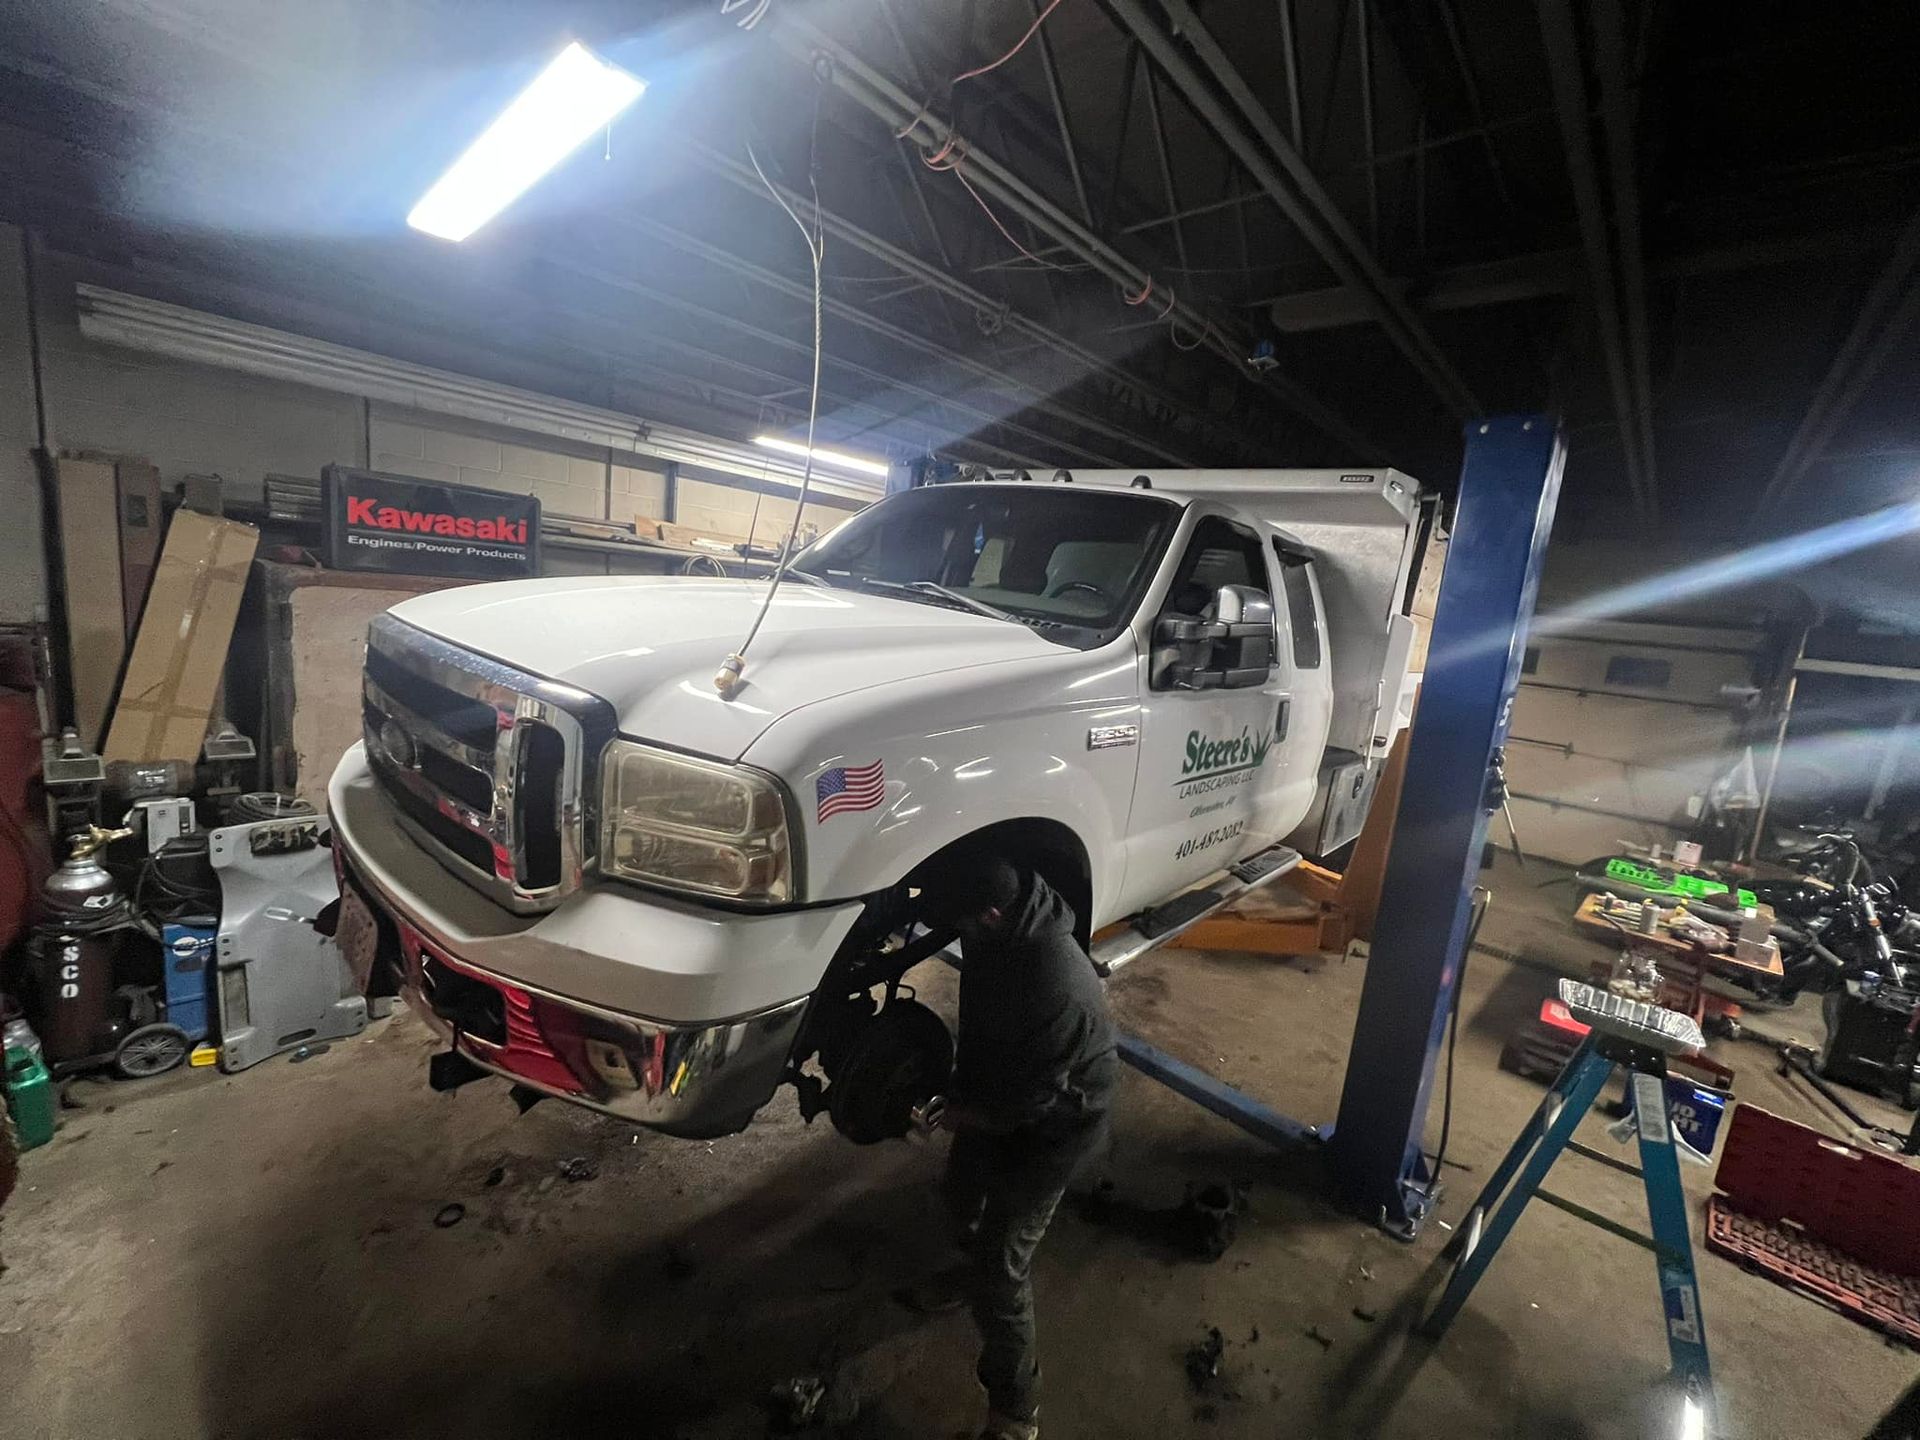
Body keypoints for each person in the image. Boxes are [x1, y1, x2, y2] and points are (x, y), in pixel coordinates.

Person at [914, 856, 1117, 1440]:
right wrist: (961, 1089)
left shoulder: (1056, 984)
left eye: (964, 925)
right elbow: (984, 1024)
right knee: (958, 1196)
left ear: (994, 914)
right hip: (1003, 1085)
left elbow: (1026, 1107)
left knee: (1002, 1269)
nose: (959, 935)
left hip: (1059, 1123)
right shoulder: (999, 922)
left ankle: (1015, 1411)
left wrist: (960, 1114)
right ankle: (965, 1279)